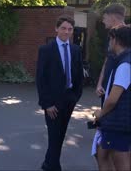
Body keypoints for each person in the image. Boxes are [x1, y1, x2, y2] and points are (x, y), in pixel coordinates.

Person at [36, 14, 84, 171]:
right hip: (53, 102)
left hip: (69, 99)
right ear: (56, 28)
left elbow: (78, 75)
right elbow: (41, 78)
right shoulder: (46, 50)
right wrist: (47, 103)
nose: (66, 32)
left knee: (60, 135)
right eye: (63, 28)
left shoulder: (76, 50)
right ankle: (53, 167)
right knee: (54, 135)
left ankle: (48, 163)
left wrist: (76, 96)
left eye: (70, 29)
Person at [93, 25, 131, 171]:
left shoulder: (125, 64)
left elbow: (113, 98)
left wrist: (100, 114)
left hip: (119, 123)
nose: (109, 42)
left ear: (116, 40)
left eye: (110, 38)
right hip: (118, 122)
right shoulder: (123, 60)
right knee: (100, 153)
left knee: (121, 163)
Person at [95, 3, 127, 103]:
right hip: (106, 88)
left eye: (104, 17)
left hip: (119, 89)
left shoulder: (127, 36)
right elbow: (106, 61)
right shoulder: (111, 36)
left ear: (112, 17)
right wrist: (100, 83)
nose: (103, 21)